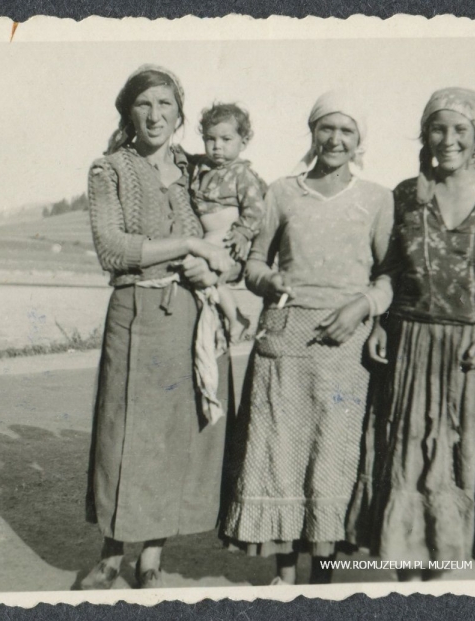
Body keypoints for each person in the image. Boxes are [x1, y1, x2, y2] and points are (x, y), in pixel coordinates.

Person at [347, 87, 475, 581]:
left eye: (460, 130)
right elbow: (389, 270)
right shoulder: (405, 195)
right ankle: (408, 578)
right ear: (425, 135)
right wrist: (380, 325)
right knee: (409, 459)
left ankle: (440, 576)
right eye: (438, 128)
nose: (448, 139)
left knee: (459, 460)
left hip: (473, 355)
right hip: (411, 347)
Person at [221, 91, 394, 585]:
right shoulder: (282, 192)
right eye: (327, 128)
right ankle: (285, 576)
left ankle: (322, 581)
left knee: (332, 459)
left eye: (347, 131)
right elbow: (254, 263)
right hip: (285, 340)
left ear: (360, 140)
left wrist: (362, 307)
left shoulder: (377, 199)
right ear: (313, 132)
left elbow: (389, 277)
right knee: (280, 454)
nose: (336, 139)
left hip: (346, 346)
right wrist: (267, 280)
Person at [81, 64, 237, 590]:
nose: (155, 115)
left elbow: (231, 231)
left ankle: (151, 556)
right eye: (144, 104)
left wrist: (213, 268)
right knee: (124, 434)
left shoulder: (198, 171)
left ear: (179, 114)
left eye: (165, 104)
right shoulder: (109, 170)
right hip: (135, 314)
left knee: (173, 436)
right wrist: (188, 245)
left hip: (188, 315)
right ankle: (111, 553)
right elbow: (113, 249)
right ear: (128, 112)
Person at [188, 103, 268, 423]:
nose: (217, 147)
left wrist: (243, 233)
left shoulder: (241, 173)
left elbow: (255, 209)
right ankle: (230, 318)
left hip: (227, 235)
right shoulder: (202, 169)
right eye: (210, 139)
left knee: (211, 277)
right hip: (209, 235)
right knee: (205, 278)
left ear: (243, 142)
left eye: (226, 139)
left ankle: (236, 319)